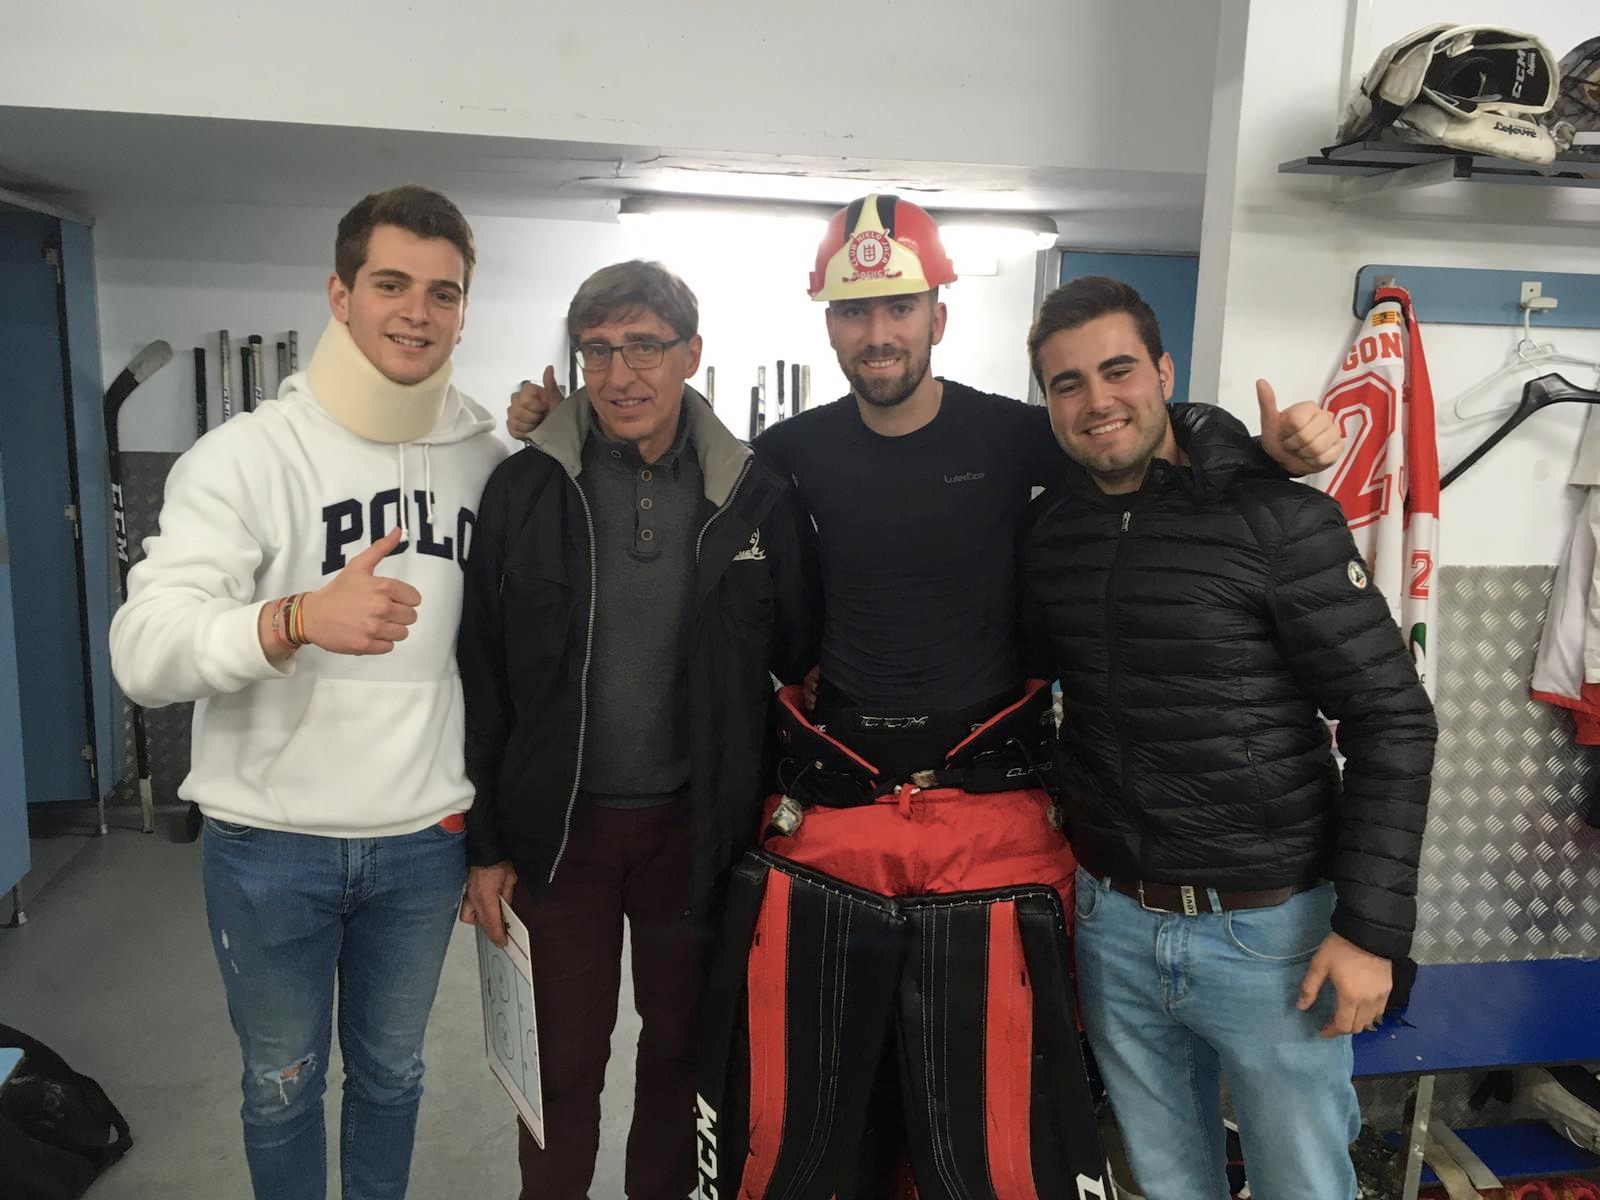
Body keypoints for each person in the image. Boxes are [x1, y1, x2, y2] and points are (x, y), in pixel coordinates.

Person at [506, 195, 1344, 1198]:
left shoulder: (1016, 437)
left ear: (937, 316)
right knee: (826, 1108)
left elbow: (1131, 443)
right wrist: (554, 424)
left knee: (984, 1126)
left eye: (898, 307)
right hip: (839, 814)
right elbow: (683, 468)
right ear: (829, 325)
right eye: (856, 312)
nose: (877, 332)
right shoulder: (789, 457)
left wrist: (1258, 451)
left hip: (993, 816)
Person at [109, 185, 505, 1200]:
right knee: (281, 1086)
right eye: (390, 284)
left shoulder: (491, 464)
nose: (417, 311)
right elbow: (142, 652)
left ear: (465, 309)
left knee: (395, 1075)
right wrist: (290, 621)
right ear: (339, 294)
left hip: (425, 842)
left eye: (442, 292)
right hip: (272, 843)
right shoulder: (244, 458)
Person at [1018, 275, 1437, 1200]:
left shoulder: (1277, 518)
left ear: (1163, 370)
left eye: (1118, 370)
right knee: (1166, 1183)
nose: (1097, 402)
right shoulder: (1054, 535)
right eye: (1067, 384)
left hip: (1268, 935)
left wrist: (1369, 933)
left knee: (1304, 1186)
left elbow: (1393, 716)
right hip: (1115, 923)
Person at [456, 260, 816, 1200]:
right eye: (599, 352)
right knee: (563, 1066)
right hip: (559, 835)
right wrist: (488, 845)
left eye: (645, 348)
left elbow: (800, 653)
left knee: (682, 1060)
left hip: (696, 835)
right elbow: (483, 674)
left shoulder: (752, 495)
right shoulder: (525, 489)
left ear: (691, 354)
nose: (622, 376)